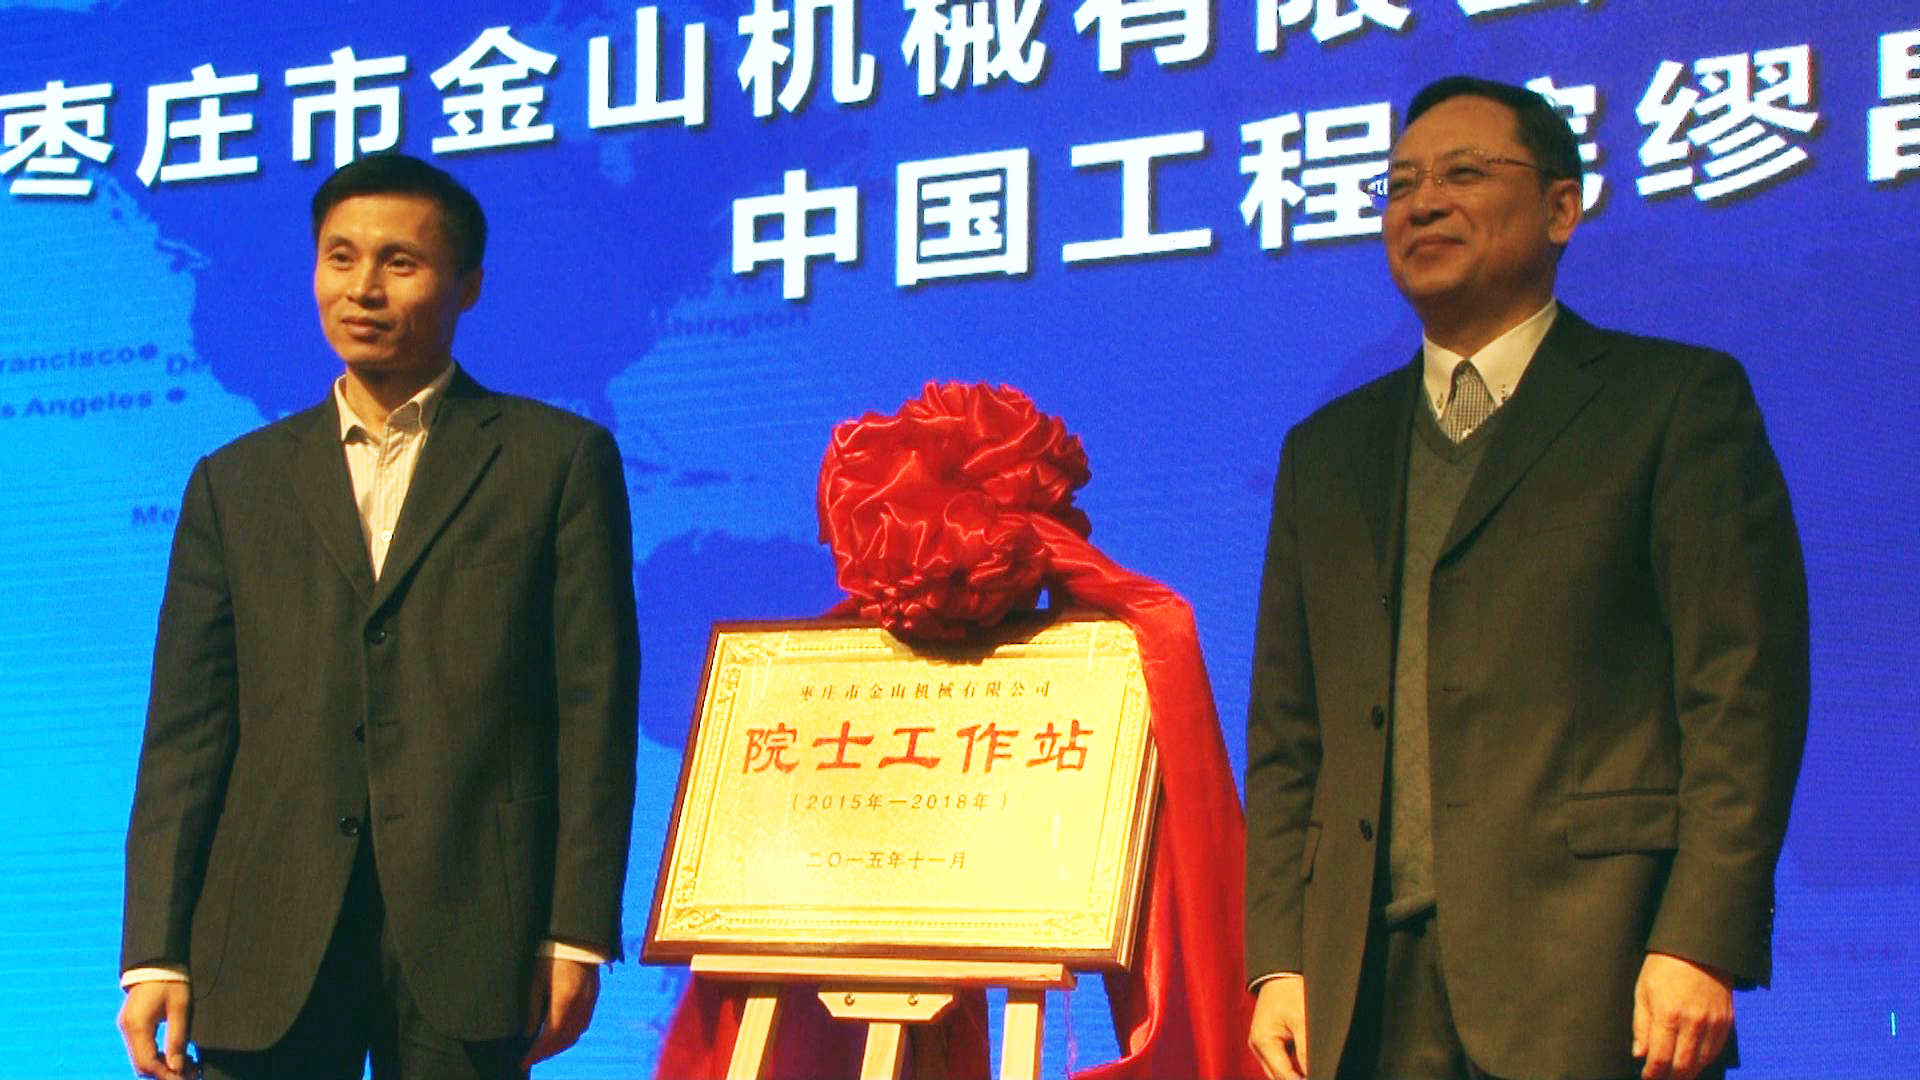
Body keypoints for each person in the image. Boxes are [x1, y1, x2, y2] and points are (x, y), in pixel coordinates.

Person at [1242, 76, 1807, 1080]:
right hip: (1362, 992)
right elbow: (1291, 737)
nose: (1423, 203)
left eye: (1463, 174)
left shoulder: (1674, 403)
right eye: (1401, 184)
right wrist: (1280, 959)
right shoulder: (1325, 451)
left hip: (1599, 975)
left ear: (1560, 208)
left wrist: (1702, 938)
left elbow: (1741, 693)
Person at [116, 153, 640, 1080]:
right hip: (264, 932)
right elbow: (187, 734)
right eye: (340, 257)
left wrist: (575, 930)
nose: (363, 288)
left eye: (401, 262)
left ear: (468, 284)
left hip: (476, 926)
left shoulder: (556, 462)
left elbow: (592, 712)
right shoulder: (235, 483)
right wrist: (156, 949)